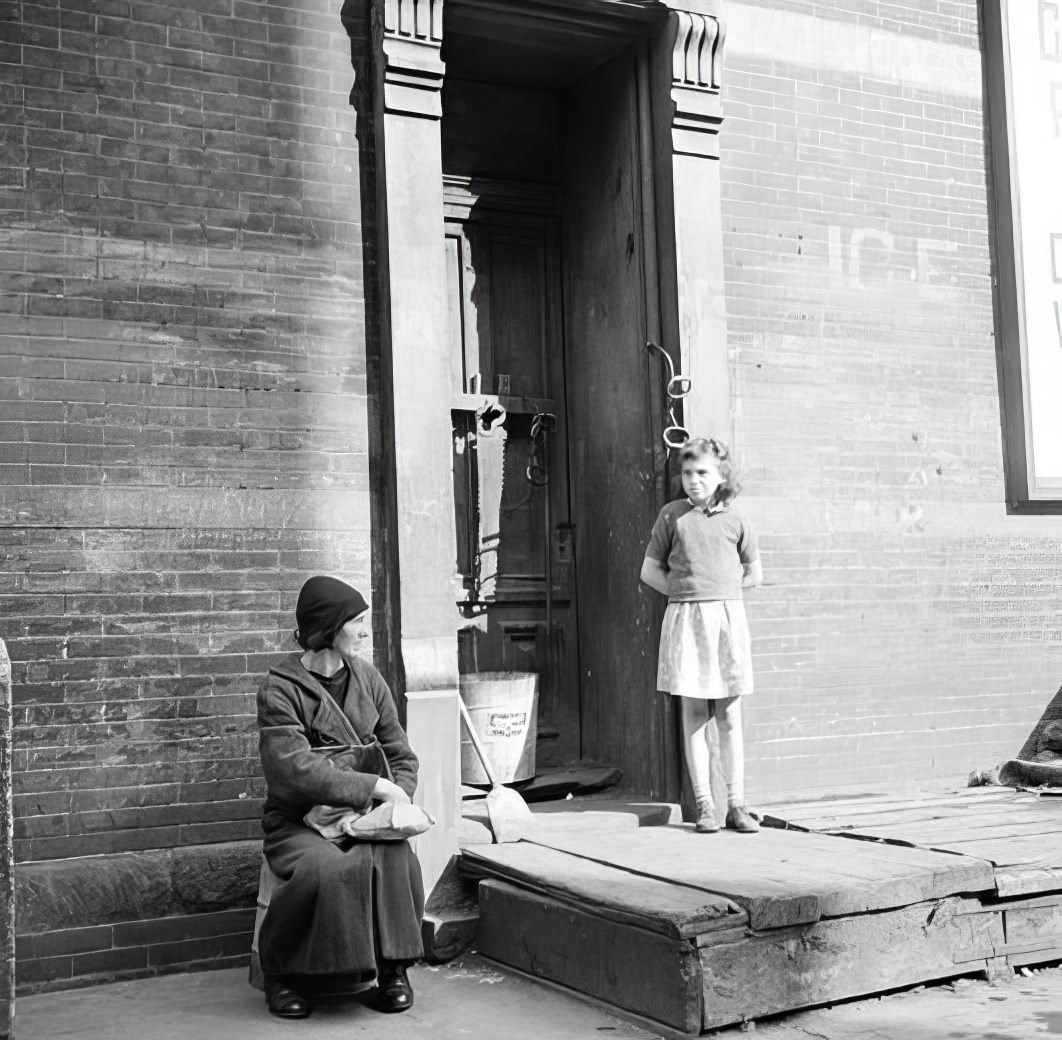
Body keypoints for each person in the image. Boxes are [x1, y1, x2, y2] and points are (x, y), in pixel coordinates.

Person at [255, 575, 424, 1018]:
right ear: (330, 627)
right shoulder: (280, 688)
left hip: (365, 816)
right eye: (358, 621)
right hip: (297, 822)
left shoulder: (368, 680)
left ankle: (392, 969)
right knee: (323, 868)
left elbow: (402, 757)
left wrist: (392, 802)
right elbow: (293, 770)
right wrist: (374, 785)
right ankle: (283, 975)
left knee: (394, 857)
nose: (366, 631)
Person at [640, 437, 763, 835]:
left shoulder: (737, 520)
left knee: (728, 714)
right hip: (687, 621)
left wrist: (721, 596)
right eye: (687, 473)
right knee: (693, 715)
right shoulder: (672, 517)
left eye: (703, 473)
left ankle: (737, 804)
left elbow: (754, 574)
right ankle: (705, 805)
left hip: (726, 622)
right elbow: (649, 571)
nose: (693, 480)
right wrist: (685, 594)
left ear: (721, 475)